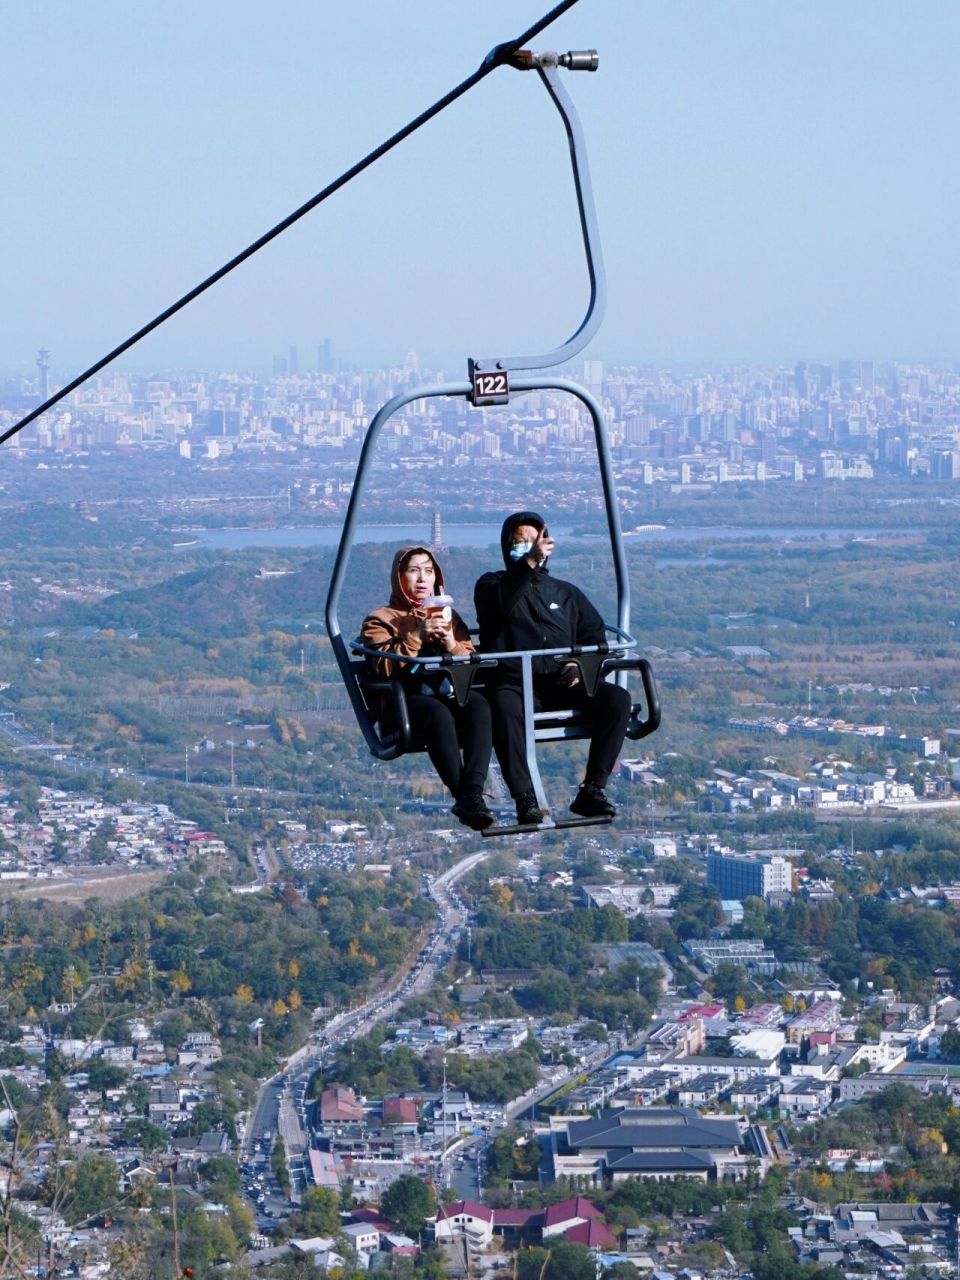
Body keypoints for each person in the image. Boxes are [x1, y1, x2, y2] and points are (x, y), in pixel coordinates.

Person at [474, 511, 631, 826]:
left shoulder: (565, 593)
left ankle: (593, 790)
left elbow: (593, 636)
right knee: (504, 709)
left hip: (560, 684)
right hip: (514, 682)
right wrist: (527, 564)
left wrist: (580, 664)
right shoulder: (492, 585)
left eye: (535, 541)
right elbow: (498, 607)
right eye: (520, 542)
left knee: (617, 699)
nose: (529, 547)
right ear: (507, 547)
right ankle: (524, 798)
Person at [361, 546, 494, 831]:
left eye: (428, 571)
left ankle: (472, 792)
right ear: (399, 577)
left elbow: (470, 661)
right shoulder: (380, 620)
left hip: (445, 694)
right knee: (436, 713)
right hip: (404, 704)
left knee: (479, 705)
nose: (422, 578)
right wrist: (416, 636)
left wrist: (449, 642)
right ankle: (467, 797)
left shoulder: (448, 616)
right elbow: (381, 667)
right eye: (414, 570)